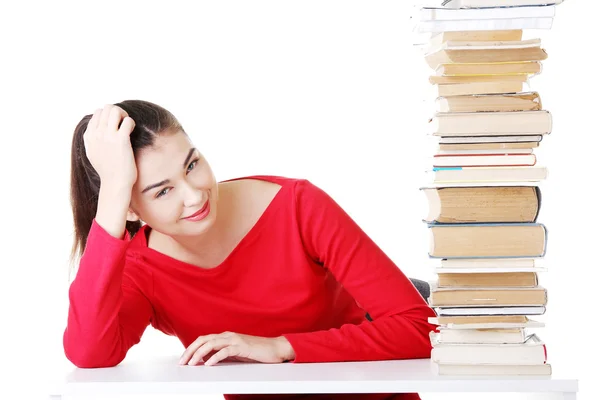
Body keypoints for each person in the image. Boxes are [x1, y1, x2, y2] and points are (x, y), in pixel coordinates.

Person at [63, 100, 437, 400]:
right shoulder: (138, 267)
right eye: (162, 190)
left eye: (192, 165)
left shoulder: (296, 205)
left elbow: (420, 328)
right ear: (128, 207)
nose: (195, 196)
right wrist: (114, 190)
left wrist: (282, 347)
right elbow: (89, 354)